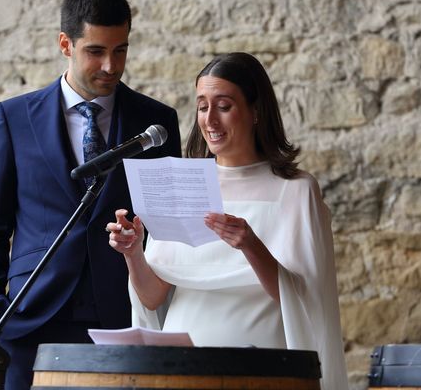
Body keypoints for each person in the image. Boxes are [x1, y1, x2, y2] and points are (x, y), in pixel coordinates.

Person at [0, 0, 182, 389]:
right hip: (29, 320)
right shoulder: (14, 119)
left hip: (124, 318)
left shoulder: (156, 122)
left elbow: (171, 230)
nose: (110, 66)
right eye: (96, 51)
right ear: (65, 44)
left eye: (120, 50)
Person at [106, 52, 349, 389]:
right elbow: (153, 296)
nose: (210, 120)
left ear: (255, 112)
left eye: (223, 106)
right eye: (203, 106)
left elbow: (304, 299)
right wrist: (133, 254)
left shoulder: (295, 190)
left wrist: (250, 245)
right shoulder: (182, 183)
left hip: (260, 367)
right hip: (181, 369)